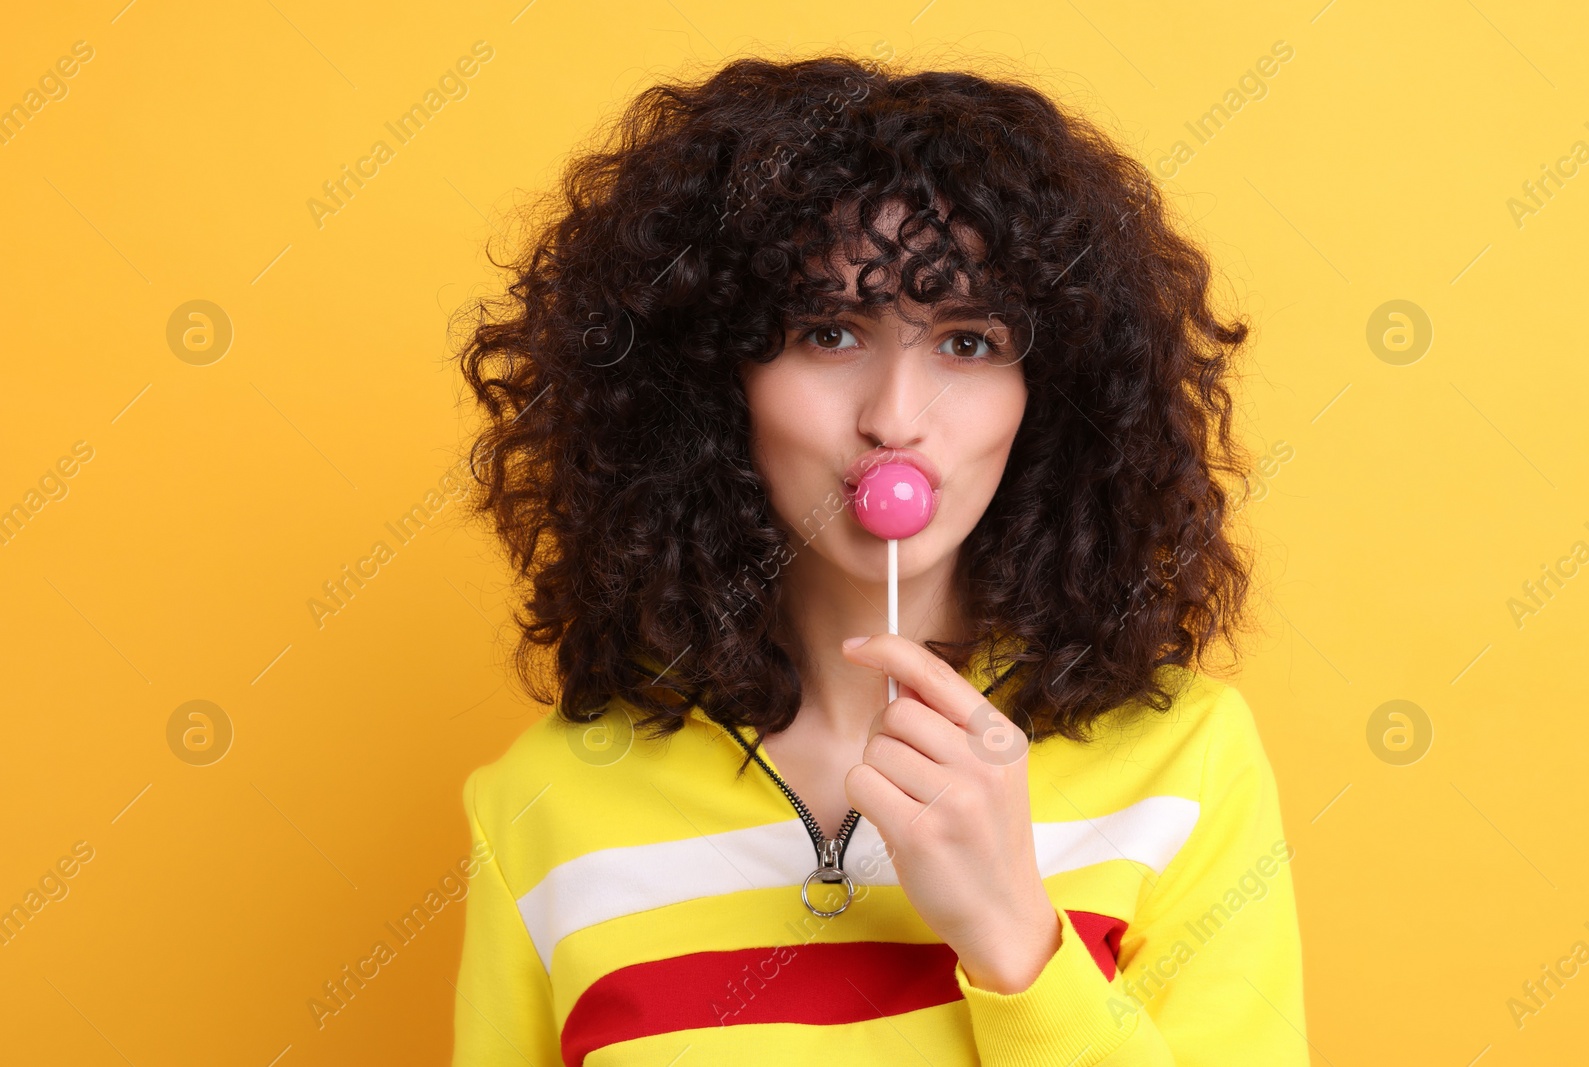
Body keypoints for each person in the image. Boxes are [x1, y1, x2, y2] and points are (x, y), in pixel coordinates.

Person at [448, 51, 1308, 1067]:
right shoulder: (542, 803)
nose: (895, 419)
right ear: (713, 382)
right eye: (827, 331)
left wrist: (1012, 936)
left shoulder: (1184, 766)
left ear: (1051, 389)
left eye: (967, 343)